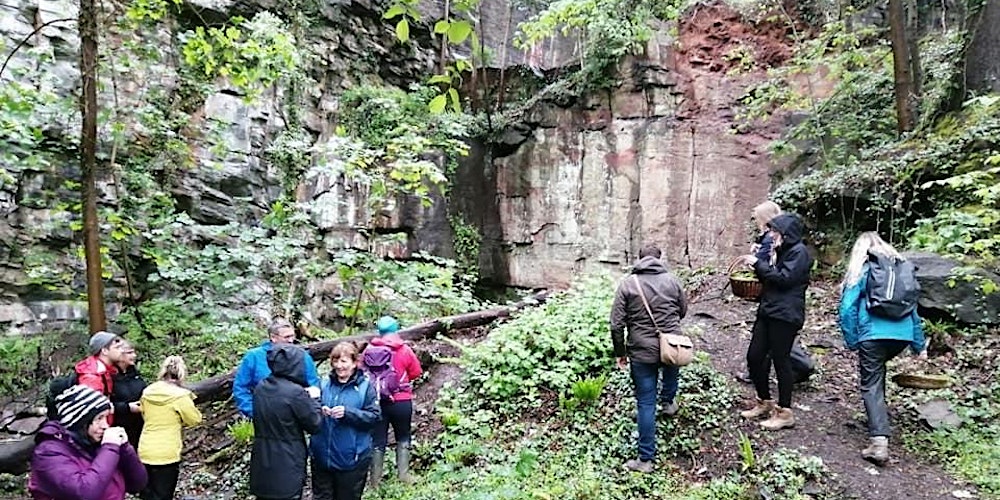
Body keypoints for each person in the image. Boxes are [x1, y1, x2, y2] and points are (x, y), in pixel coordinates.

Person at [839, 232, 926, 465]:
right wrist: (919, 344)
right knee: (877, 375)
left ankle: (879, 442)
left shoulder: (865, 269)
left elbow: (848, 307)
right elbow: (913, 310)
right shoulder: (900, 271)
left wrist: (851, 338)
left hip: (873, 335)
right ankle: (879, 422)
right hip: (902, 336)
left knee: (871, 384)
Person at [610, 245, 688, 473]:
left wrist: (620, 352)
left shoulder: (628, 284)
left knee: (645, 402)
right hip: (671, 343)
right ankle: (668, 402)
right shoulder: (673, 281)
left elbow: (616, 324)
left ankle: (645, 460)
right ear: (659, 259)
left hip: (641, 350)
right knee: (671, 365)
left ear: (640, 259)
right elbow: (683, 311)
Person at [737, 213, 812, 430]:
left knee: (781, 360)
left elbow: (784, 279)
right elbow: (772, 277)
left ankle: (785, 411)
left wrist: (758, 264)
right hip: (769, 310)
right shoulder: (781, 251)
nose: (772, 235)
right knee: (755, 356)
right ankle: (764, 401)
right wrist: (758, 266)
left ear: (786, 234)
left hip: (786, 315)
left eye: (776, 232)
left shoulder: (799, 253)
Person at [28, 384, 148, 499]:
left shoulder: (96, 443)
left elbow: (137, 483)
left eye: (106, 418)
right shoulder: (48, 453)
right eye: (99, 418)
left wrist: (125, 448)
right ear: (81, 422)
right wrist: (110, 447)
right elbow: (84, 493)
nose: (105, 425)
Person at [250, 344, 323, 500]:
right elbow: (315, 424)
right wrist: (315, 400)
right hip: (288, 461)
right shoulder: (295, 393)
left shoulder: (261, 387)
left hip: (262, 460)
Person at [310, 342, 381, 500]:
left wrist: (348, 413)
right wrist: (319, 409)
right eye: (336, 361)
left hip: (351, 461)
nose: (339, 366)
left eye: (344, 361)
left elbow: (375, 417)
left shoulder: (364, 388)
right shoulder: (324, 384)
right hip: (322, 458)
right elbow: (310, 409)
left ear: (355, 363)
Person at [364, 315, 422, 487]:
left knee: (377, 440)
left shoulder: (368, 349)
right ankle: (404, 476)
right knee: (403, 436)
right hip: (401, 400)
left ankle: (375, 481)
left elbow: (362, 372)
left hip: (377, 401)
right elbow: (416, 372)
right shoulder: (404, 350)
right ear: (396, 329)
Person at [138, 355, 203, 500]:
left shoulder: (148, 391)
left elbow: (143, 413)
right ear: (181, 373)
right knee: (164, 494)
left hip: (145, 448)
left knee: (147, 494)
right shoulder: (180, 396)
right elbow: (195, 419)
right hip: (167, 452)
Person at [233, 318, 321, 418]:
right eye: (286, 337)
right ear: (273, 337)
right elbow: (241, 387)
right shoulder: (253, 357)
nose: (291, 340)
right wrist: (253, 411)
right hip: (264, 414)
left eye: (292, 336)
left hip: (296, 415)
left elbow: (313, 384)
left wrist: (309, 411)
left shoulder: (302, 356)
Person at [737, 201, 783, 384]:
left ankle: (758, 371)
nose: (755, 221)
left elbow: (765, 263)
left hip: (773, 293)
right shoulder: (769, 235)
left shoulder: (772, 238)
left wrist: (754, 260)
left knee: (767, 337)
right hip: (773, 293)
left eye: (757, 217)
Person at [110, 340, 146, 447]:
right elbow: (105, 404)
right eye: (130, 353)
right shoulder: (110, 376)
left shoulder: (133, 372)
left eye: (134, 352)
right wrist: (127, 408)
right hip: (120, 427)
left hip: (139, 425)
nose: (134, 356)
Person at [76, 331, 126, 397]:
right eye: (117, 348)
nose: (122, 351)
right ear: (104, 351)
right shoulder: (92, 376)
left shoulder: (107, 370)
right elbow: (95, 405)